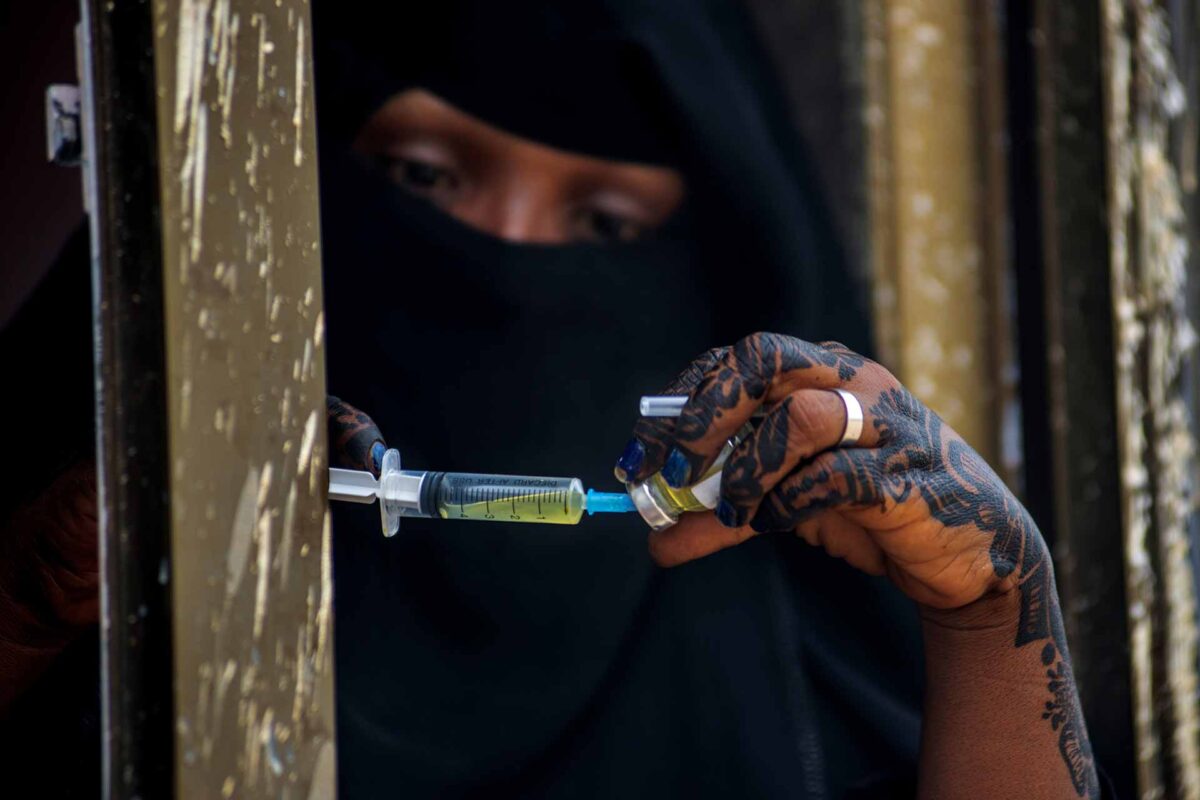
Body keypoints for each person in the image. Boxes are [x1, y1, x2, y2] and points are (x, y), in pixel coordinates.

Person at [0, 0, 1107, 797]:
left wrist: (993, 616)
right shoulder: (92, 594)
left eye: (605, 225)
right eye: (423, 175)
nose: (507, 259)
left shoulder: (793, 702)